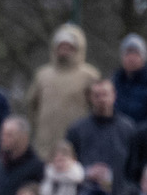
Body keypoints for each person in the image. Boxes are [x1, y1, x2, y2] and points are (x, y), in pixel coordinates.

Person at [24, 24, 98, 160]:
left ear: (78, 48)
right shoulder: (42, 75)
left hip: (76, 147)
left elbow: (96, 108)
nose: (64, 49)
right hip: (45, 146)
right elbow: (32, 105)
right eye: (61, 45)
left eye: (69, 46)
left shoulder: (89, 75)